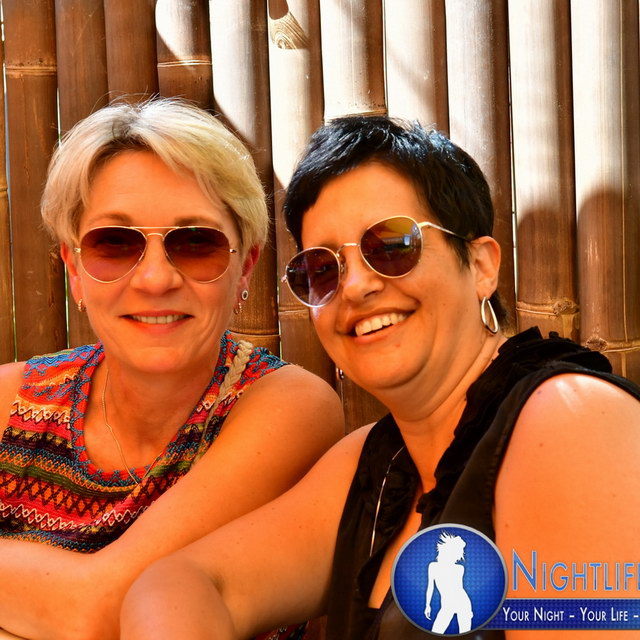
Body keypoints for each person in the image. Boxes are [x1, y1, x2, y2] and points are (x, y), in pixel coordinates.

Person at [120, 116, 640, 640]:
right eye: (323, 270)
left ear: (482, 265)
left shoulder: (572, 420)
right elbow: (183, 583)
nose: (356, 287)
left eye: (392, 247)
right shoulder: (375, 463)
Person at [0, 98, 343, 640]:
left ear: (245, 267)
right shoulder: (13, 402)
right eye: (115, 243)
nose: (156, 279)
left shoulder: (287, 408)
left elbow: (103, 609)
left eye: (196, 243)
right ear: (74, 269)